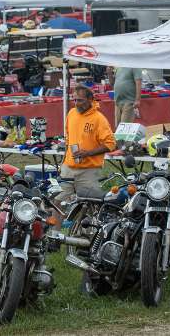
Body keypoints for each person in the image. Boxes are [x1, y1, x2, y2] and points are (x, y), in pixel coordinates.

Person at [52, 84, 117, 230]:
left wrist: (87, 153)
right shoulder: (71, 114)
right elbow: (68, 141)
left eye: (80, 100)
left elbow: (111, 144)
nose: (76, 103)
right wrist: (62, 163)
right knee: (59, 202)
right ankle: (55, 237)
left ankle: (88, 237)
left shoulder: (99, 119)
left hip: (89, 171)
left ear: (90, 99)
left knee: (90, 208)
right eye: (74, 100)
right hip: (68, 168)